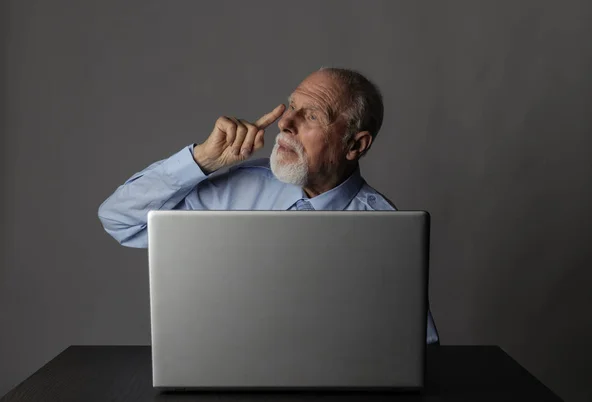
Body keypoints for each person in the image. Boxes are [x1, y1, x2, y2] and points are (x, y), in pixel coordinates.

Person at [98, 67, 440, 344]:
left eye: (312, 117)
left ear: (355, 145)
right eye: (291, 106)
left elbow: (416, 352)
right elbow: (119, 219)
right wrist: (202, 160)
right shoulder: (235, 189)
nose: (285, 123)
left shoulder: (386, 230)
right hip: (222, 381)